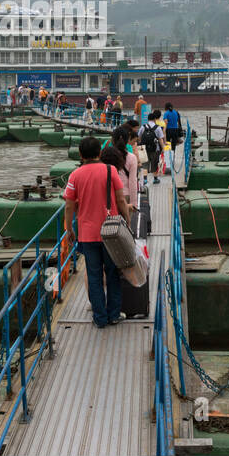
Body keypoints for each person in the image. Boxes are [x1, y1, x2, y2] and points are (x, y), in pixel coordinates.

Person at [63, 137, 131, 328]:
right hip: (111, 233)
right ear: (100, 153)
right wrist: (127, 220)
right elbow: (120, 200)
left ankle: (99, 318)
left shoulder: (74, 175)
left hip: (87, 233)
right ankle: (114, 314)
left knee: (94, 275)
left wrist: (69, 229)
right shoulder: (110, 171)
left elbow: (69, 206)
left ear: (81, 154)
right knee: (112, 273)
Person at [140, 110, 164, 177]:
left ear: (148, 119)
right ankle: (155, 178)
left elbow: (139, 137)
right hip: (155, 149)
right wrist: (163, 149)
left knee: (145, 165)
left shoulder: (143, 127)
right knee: (154, 164)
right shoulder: (158, 128)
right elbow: (160, 139)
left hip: (145, 149)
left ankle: (145, 179)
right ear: (154, 119)